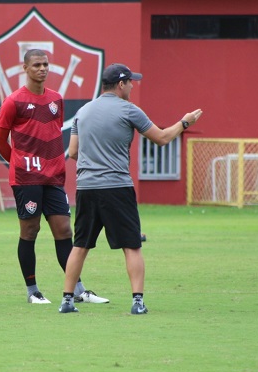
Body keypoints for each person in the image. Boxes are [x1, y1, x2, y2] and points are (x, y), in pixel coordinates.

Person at [60, 63, 203, 314]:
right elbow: (162, 138)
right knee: (132, 245)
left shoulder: (82, 112)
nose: (133, 86)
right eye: (130, 82)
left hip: (86, 188)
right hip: (117, 187)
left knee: (80, 245)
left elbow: (72, 152)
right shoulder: (129, 110)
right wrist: (185, 122)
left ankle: (67, 301)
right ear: (120, 84)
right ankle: (137, 302)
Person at [0, 49, 109, 306]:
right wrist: (20, 162)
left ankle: (78, 289)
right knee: (30, 230)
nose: (42, 69)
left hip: (54, 176)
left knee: (64, 229)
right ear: (25, 68)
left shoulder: (56, 99)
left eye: (45, 64)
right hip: (26, 178)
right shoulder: (13, 101)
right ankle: (32, 291)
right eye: (36, 65)